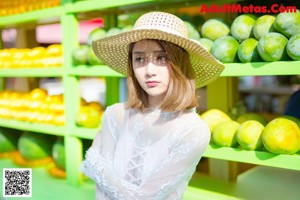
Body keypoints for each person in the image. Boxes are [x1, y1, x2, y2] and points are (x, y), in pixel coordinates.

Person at [80, 11, 224, 199]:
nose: (149, 71)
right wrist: (100, 170)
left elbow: (143, 198)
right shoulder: (115, 114)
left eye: (161, 58)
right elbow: (101, 194)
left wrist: (94, 163)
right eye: (139, 59)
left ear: (179, 63)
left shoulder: (193, 131)